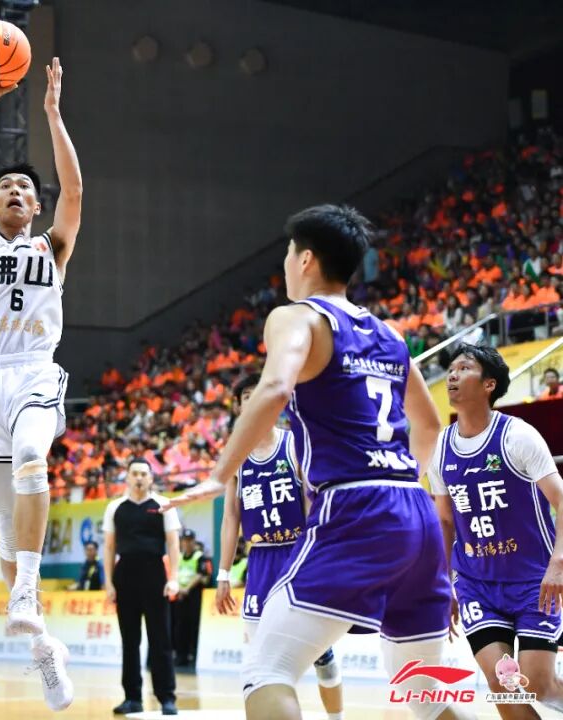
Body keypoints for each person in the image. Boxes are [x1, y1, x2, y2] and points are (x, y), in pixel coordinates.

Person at [166, 205, 472, 720]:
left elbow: (274, 388)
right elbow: (429, 427)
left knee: (266, 671)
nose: (286, 265)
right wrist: (399, 482)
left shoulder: (297, 317)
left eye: (288, 254)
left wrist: (219, 475)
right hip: (414, 511)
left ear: (305, 259)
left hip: (356, 506)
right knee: (426, 697)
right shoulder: (391, 335)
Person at [0, 56, 81, 712]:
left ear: (35, 205)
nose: (14, 193)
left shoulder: (51, 249)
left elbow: (75, 192)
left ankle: (25, 591)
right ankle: (44, 648)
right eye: (5, 187)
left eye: (25, 188)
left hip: (32, 370)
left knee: (34, 455)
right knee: (4, 527)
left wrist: (53, 114)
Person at [430, 345, 563, 714]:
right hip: (476, 583)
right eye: (451, 368)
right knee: (502, 682)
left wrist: (558, 563)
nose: (452, 375)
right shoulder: (440, 447)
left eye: (464, 368)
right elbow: (445, 521)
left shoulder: (517, 435)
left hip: (533, 580)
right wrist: (443, 583)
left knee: (536, 685)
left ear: (489, 384)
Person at [215, 374, 343, 719]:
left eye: (259, 392)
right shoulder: (235, 456)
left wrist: (319, 558)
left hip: (297, 555)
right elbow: (231, 517)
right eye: (246, 395)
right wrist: (223, 574)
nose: (253, 398)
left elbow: (313, 505)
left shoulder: (294, 443)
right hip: (259, 559)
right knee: (259, 656)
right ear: (239, 407)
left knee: (322, 655)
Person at [103, 459, 181, 716]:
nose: (139, 478)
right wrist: (109, 582)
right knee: (130, 640)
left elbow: (173, 544)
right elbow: (109, 547)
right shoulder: (115, 508)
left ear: (151, 478)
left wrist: (173, 578)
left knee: (161, 639)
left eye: (143, 474)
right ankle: (132, 697)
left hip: (155, 575)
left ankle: (166, 698)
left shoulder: (163, 505)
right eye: (134, 473)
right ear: (127, 477)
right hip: (125, 576)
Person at [171, 529, 210, 669]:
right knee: (179, 627)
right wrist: (178, 588)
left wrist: (187, 588)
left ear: (193, 541)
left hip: (193, 596)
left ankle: (193, 655)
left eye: (189, 541)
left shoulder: (200, 557)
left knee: (193, 626)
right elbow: (174, 573)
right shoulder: (178, 557)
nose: (187, 543)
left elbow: (201, 574)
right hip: (179, 596)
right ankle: (180, 655)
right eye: (184, 541)